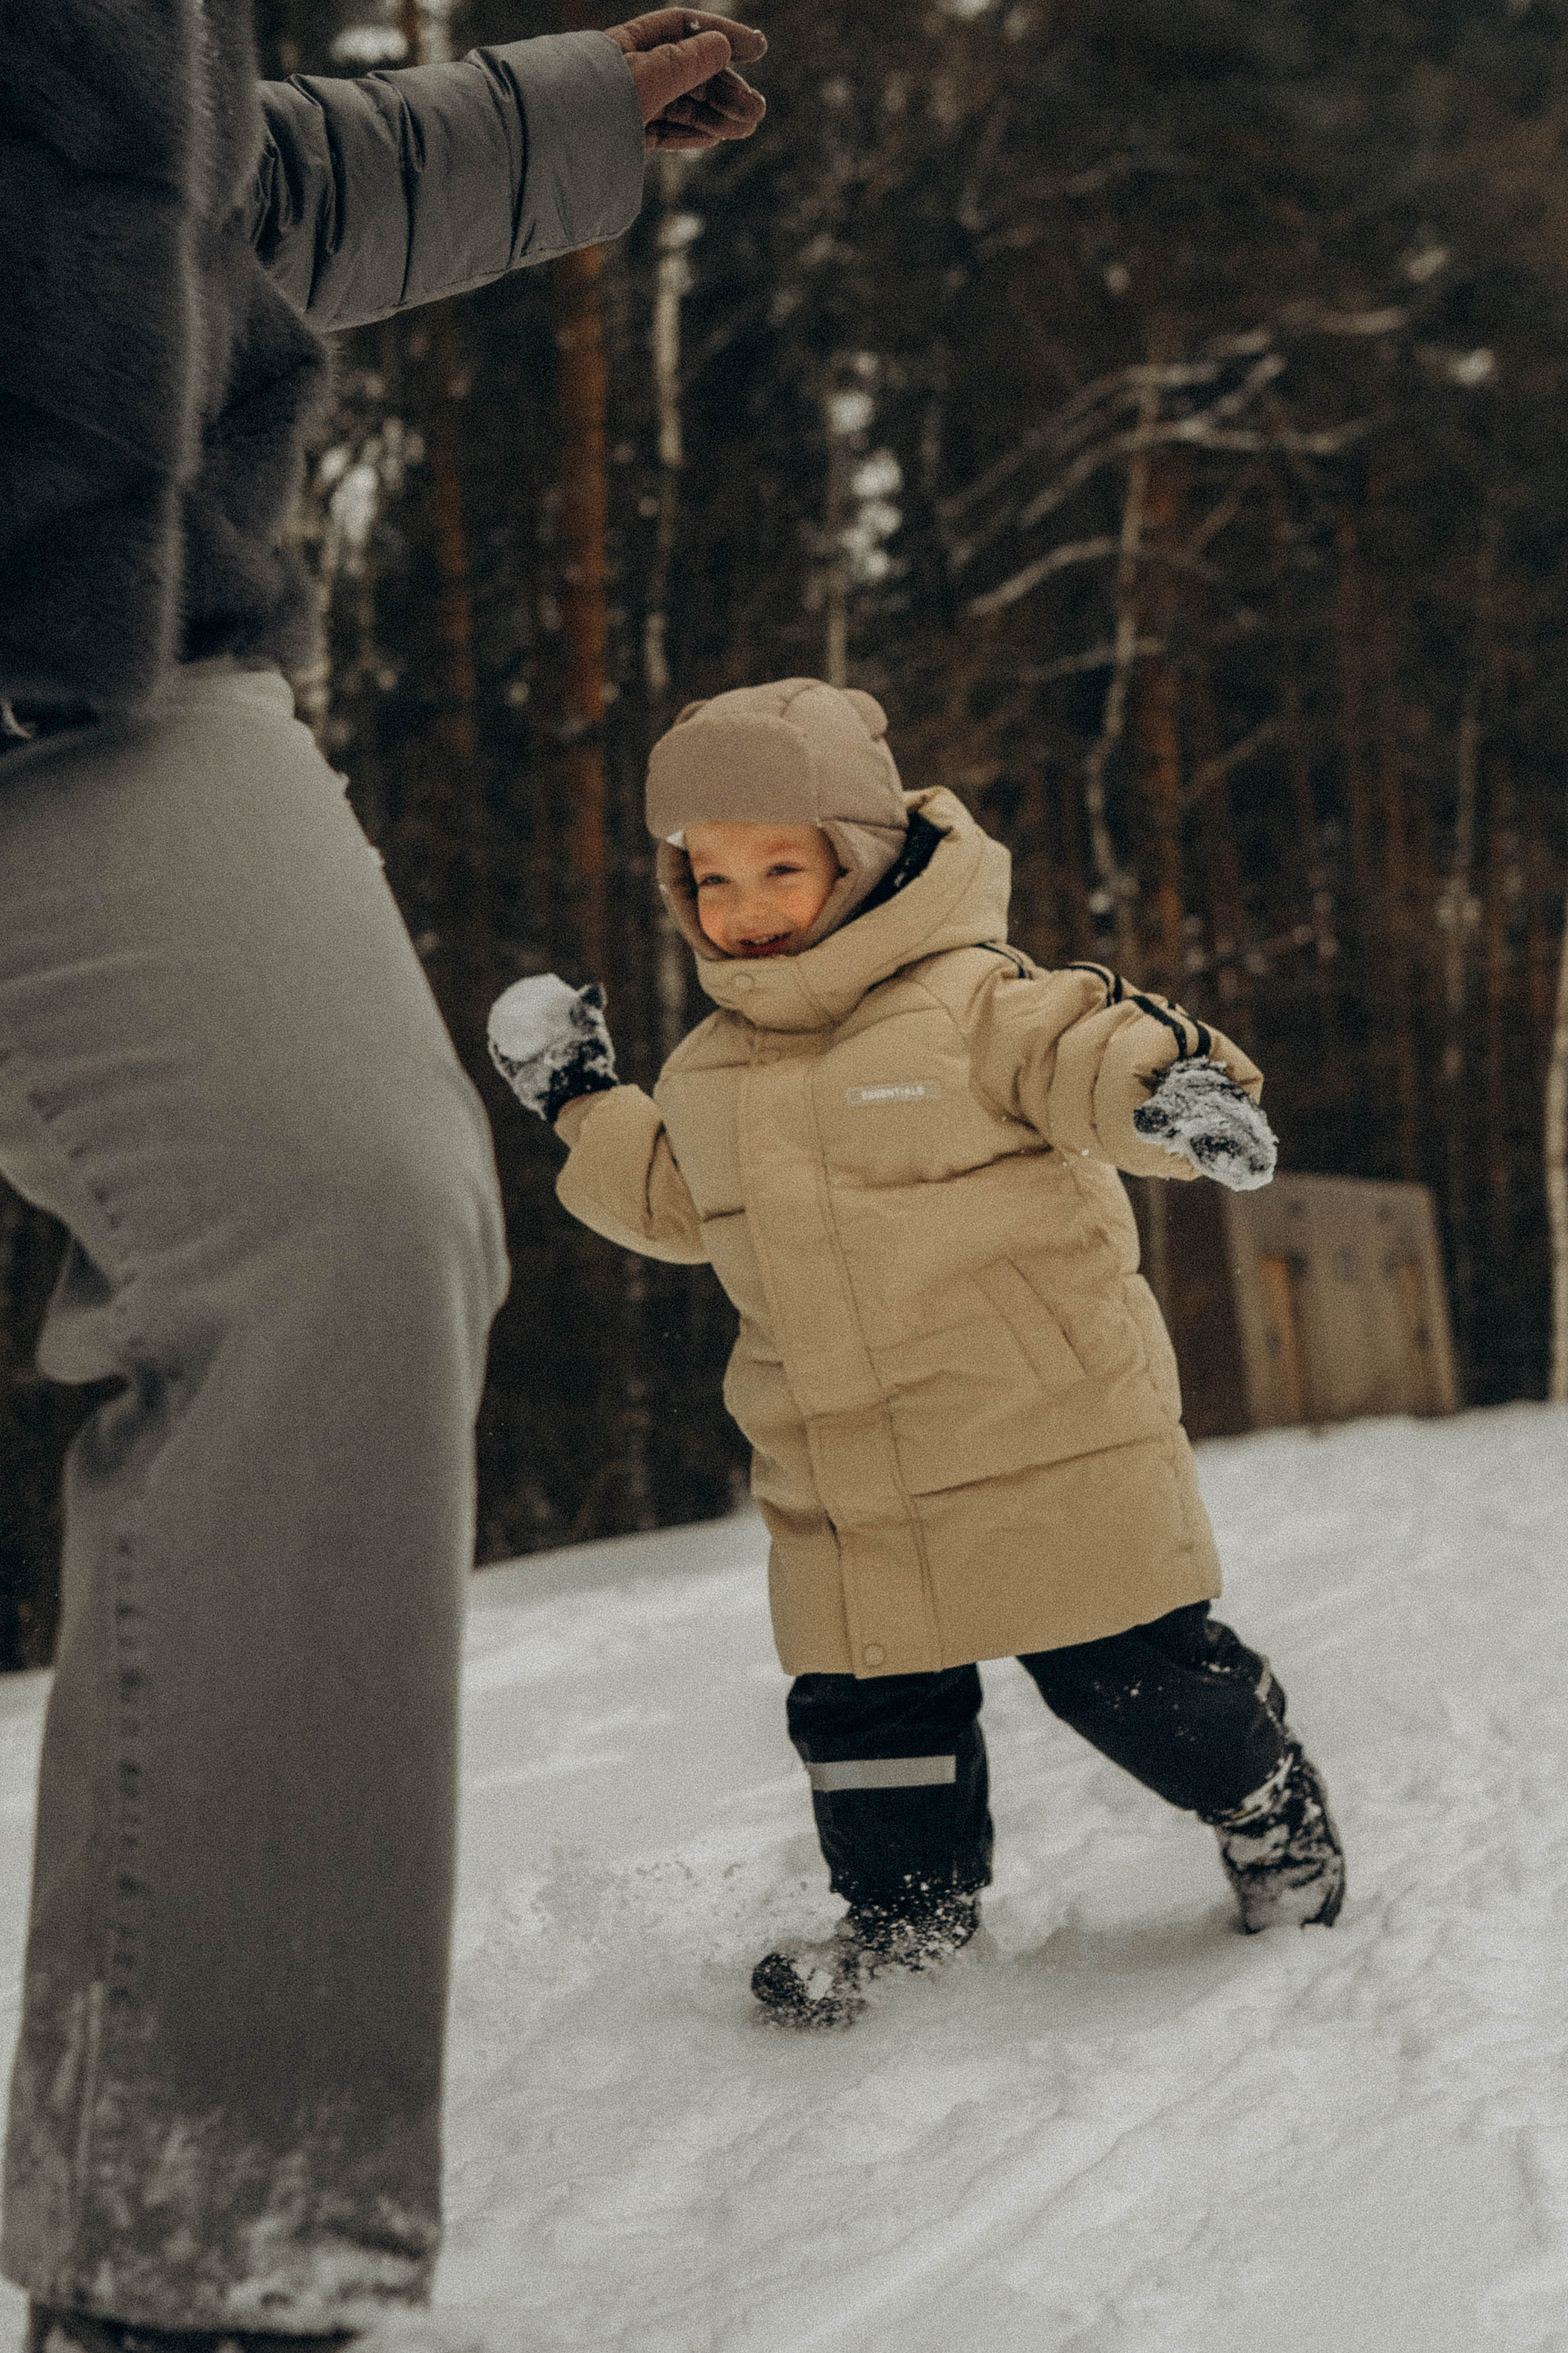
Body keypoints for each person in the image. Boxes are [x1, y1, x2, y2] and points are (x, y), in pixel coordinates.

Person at [0, 10, 765, 2349]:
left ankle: (199, 2256)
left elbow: (195, 188)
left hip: (97, 666)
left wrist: (555, 119)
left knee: (351, 1209)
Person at [487, 677, 1346, 2030]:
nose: (744, 906)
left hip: (1040, 1434)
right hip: (844, 1470)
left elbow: (1085, 1044)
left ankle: (1266, 1804)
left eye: (780, 868)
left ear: (863, 855)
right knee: (865, 1718)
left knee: (1134, 1682)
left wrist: (1173, 1090)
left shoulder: (971, 1000)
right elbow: (672, 1202)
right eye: (710, 878)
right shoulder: (709, 1071)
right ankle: (906, 1919)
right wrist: (583, 1101)